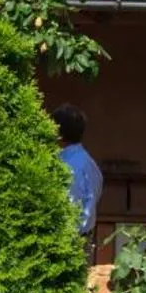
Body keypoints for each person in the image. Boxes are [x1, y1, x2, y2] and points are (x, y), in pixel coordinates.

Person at [51, 104, 104, 249]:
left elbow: (71, 201)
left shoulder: (66, 166)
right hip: (83, 237)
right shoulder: (90, 163)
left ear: (57, 132)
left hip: (67, 238)